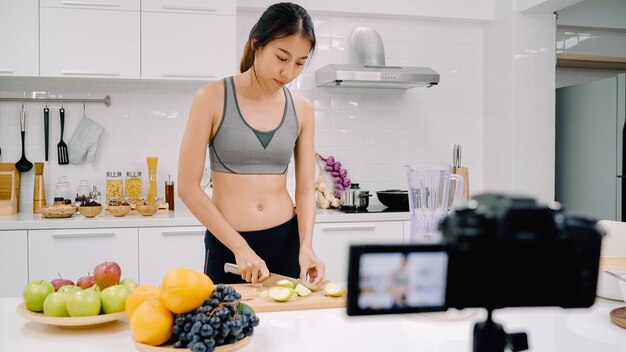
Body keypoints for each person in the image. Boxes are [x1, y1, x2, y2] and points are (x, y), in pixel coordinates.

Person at [178, 2, 325, 287]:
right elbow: (187, 188)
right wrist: (240, 247)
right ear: (256, 44)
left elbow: (306, 189)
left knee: (288, 327)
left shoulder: (302, 109)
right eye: (281, 57)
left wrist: (306, 246)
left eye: (299, 62)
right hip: (228, 246)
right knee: (226, 327)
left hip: (286, 242)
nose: (289, 72)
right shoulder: (211, 98)